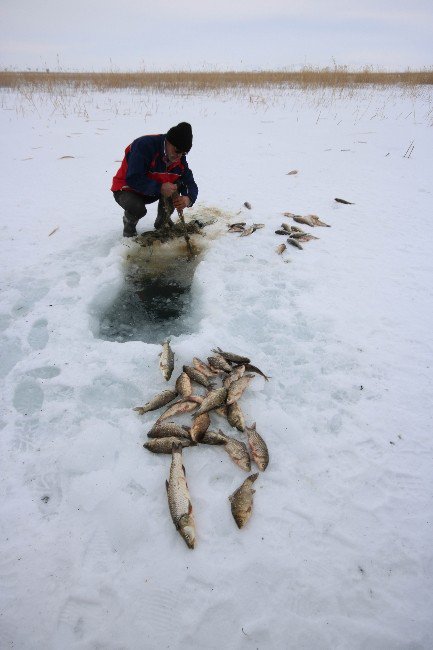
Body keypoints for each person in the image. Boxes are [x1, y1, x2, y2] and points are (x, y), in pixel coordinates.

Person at [111, 122, 198, 237]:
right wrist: (160, 187)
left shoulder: (179, 160)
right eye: (177, 151)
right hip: (127, 189)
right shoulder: (144, 145)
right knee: (138, 208)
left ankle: (162, 224)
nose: (179, 156)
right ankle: (129, 231)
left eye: (183, 153)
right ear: (168, 141)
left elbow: (189, 183)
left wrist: (188, 199)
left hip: (153, 191)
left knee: (176, 185)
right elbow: (133, 178)